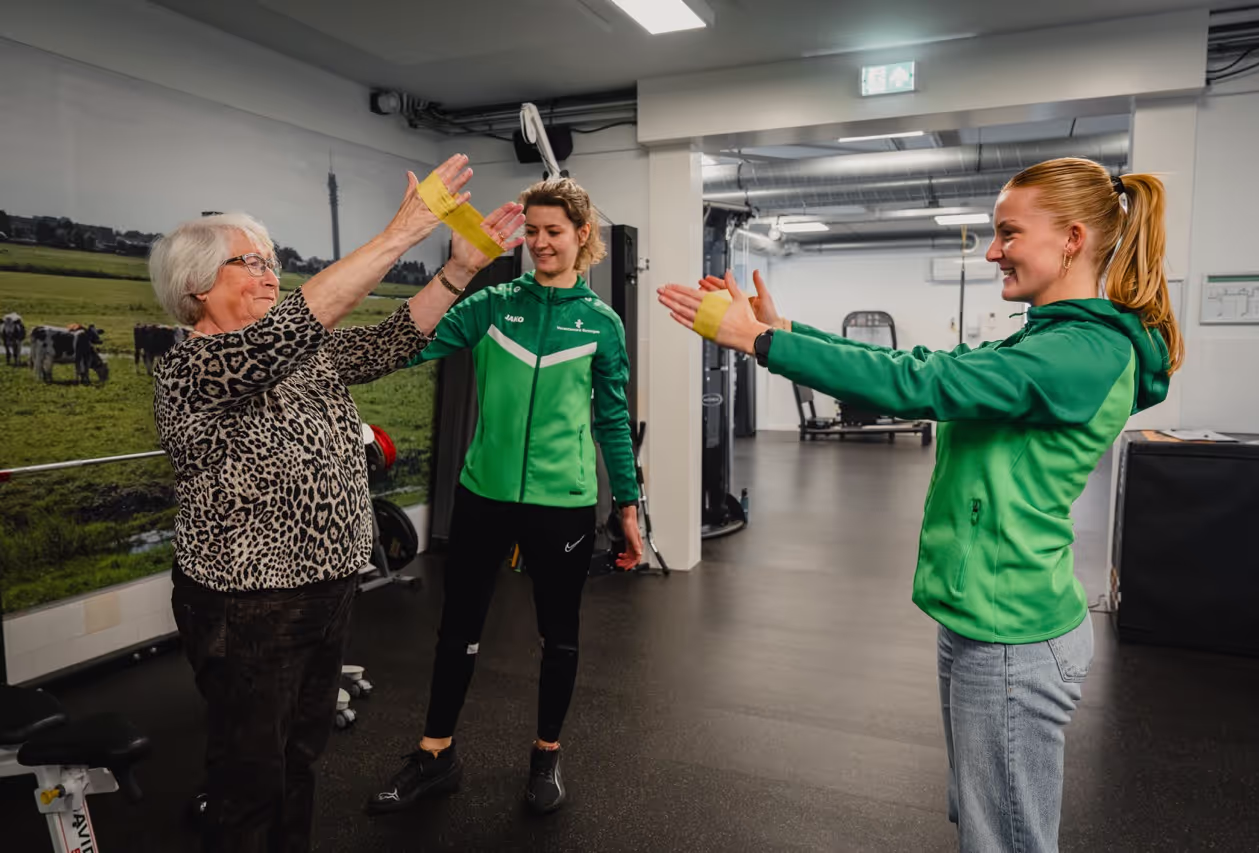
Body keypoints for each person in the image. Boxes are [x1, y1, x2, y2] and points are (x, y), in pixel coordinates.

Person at [658, 157, 1182, 853]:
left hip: (1012, 634)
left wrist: (759, 341)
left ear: (1073, 238)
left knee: (1008, 839)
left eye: (1007, 233)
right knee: (984, 821)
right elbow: (931, 370)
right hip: (986, 619)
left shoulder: (1081, 351)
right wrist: (786, 332)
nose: (993, 250)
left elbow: (920, 381)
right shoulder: (1052, 336)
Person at [149, 154, 524, 852]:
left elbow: (393, 338)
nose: (270, 272)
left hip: (327, 588)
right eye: (250, 262)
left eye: (272, 260)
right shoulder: (193, 367)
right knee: (250, 772)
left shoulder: (299, 356)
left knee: (299, 758)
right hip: (249, 602)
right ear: (198, 286)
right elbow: (300, 320)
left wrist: (461, 270)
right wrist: (401, 232)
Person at [368, 176, 644, 817]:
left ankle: (546, 754)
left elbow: (611, 419)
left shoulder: (599, 324)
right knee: (457, 627)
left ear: (582, 236)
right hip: (484, 495)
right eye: (533, 231)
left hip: (563, 502)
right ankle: (435, 755)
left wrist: (627, 506)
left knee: (560, 636)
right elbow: (412, 343)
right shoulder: (490, 306)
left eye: (554, 232)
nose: (541, 243)